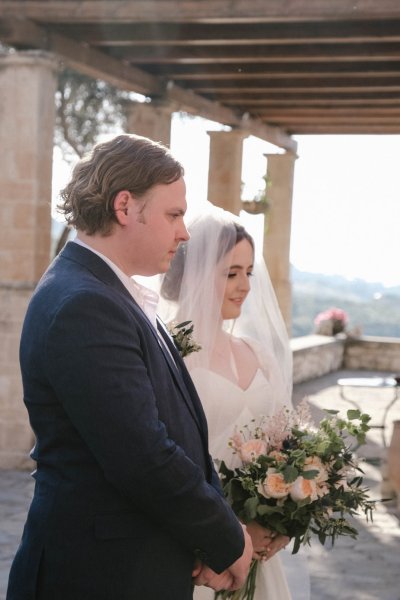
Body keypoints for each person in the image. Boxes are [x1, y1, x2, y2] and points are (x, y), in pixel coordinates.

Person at [6, 135, 253, 600]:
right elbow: (143, 455)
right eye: (174, 215)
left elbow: (181, 431)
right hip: (99, 576)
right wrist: (227, 538)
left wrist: (202, 538)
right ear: (125, 206)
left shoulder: (111, 292)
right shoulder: (85, 304)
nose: (184, 233)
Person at [159, 204, 309, 600]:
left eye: (248, 273)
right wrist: (222, 534)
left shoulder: (258, 354)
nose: (244, 286)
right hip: (195, 550)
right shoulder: (166, 351)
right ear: (195, 274)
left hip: (258, 549)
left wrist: (281, 520)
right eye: (230, 273)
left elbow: (287, 447)